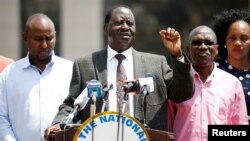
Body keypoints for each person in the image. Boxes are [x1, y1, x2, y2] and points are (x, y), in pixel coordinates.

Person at [44, 5, 195, 140]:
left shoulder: (156, 63)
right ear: (105, 28)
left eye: (130, 23)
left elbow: (184, 93)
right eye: (119, 22)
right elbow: (71, 105)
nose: (125, 27)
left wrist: (177, 55)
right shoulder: (84, 65)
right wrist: (60, 123)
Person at [167, 25, 248, 141]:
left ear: (217, 50)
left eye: (209, 43)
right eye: (197, 42)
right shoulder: (176, 82)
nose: (203, 47)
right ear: (188, 49)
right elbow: (166, 128)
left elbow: (240, 129)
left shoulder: (232, 84)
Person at [0, 13, 73, 141]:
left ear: (55, 36)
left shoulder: (70, 70)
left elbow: (78, 113)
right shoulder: (9, 74)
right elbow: (1, 117)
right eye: (38, 39)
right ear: (25, 38)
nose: (44, 45)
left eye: (49, 38)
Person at [210, 9, 250, 122]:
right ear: (224, 41)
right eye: (232, 38)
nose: (237, 43)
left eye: (244, 38)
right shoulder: (211, 70)